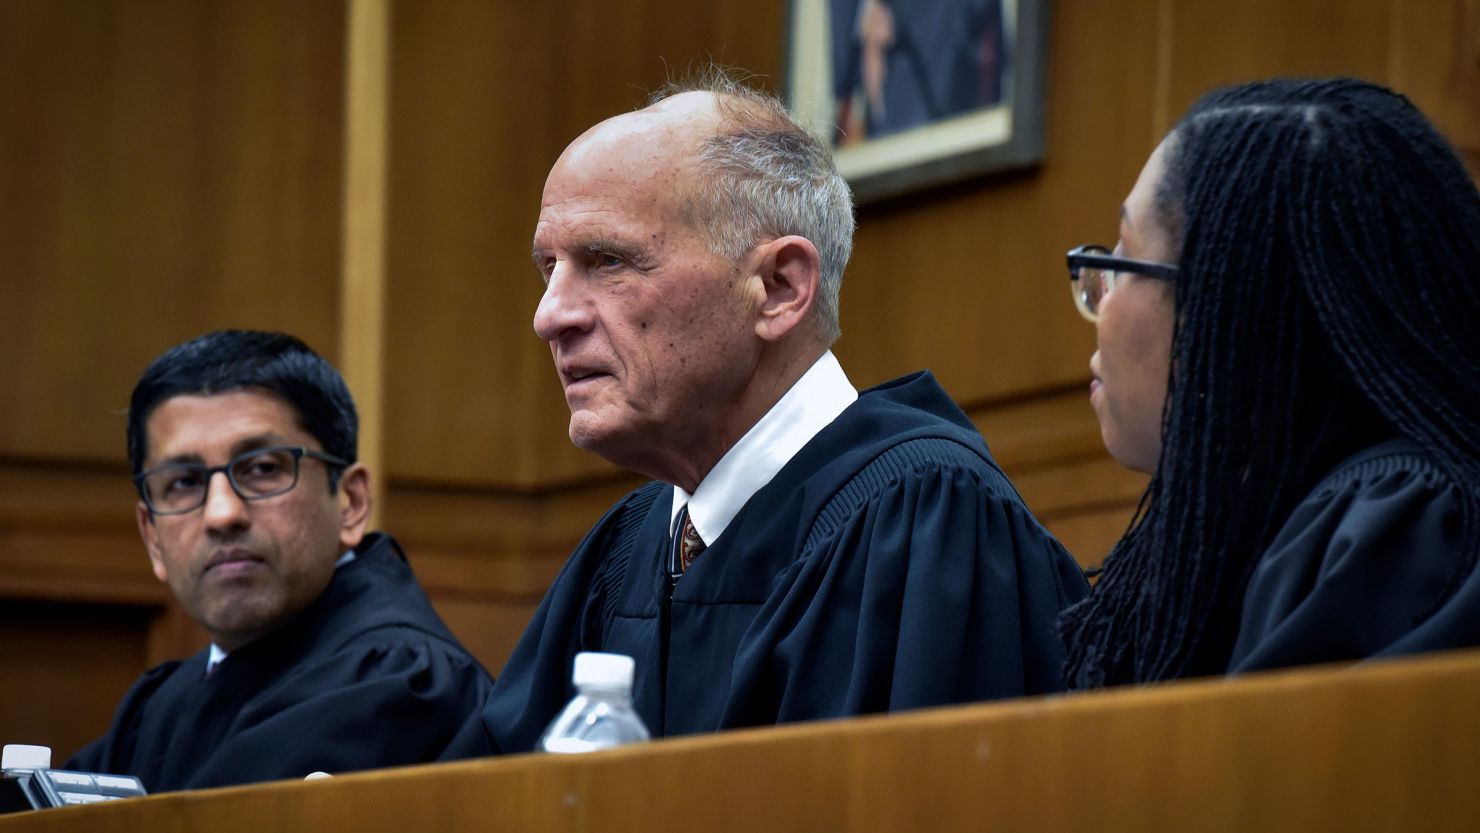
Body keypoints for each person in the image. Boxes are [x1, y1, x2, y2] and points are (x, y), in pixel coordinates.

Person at [483, 69, 1087, 751]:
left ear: (777, 288)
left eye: (607, 261)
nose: (550, 315)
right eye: (549, 268)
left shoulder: (930, 526)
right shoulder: (623, 553)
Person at [1058, 78, 1480, 688]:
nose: (1096, 294)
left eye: (1121, 259)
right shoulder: (1245, 525)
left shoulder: (1402, 536)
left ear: (1234, 305)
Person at [68, 330, 494, 790]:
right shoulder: (162, 705)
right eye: (185, 482)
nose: (222, 513)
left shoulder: (397, 682)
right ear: (152, 537)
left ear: (350, 502)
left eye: (263, 469)